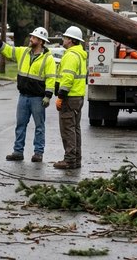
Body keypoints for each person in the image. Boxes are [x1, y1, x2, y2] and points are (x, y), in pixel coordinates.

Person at [0, 27, 57, 163]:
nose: (31, 39)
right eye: (31, 37)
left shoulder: (48, 59)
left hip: (38, 98)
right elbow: (7, 50)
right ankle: (18, 151)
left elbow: (51, 78)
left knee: (39, 126)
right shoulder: (23, 52)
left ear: (41, 41)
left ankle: (38, 153)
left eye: (34, 38)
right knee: (20, 125)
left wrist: (48, 95)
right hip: (23, 96)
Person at [53, 26, 88, 170]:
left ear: (72, 40)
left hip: (70, 97)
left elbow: (67, 78)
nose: (63, 39)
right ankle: (76, 159)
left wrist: (60, 96)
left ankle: (69, 160)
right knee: (75, 129)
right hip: (78, 97)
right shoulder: (80, 54)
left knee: (68, 129)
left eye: (66, 38)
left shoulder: (71, 55)